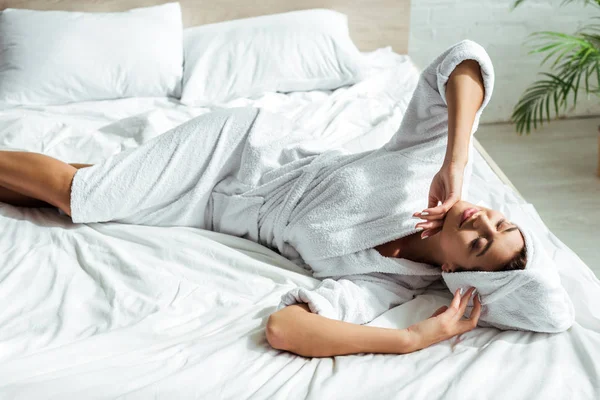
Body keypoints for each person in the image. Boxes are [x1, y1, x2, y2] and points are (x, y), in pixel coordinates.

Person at [0, 40, 526, 357]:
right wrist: (455, 158)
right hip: (237, 152)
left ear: (458, 272)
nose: (482, 221)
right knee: (82, 195)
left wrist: (412, 338)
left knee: (71, 196)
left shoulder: (388, 283)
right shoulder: (428, 166)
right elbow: (465, 61)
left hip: (215, 213)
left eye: (480, 244)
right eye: (499, 223)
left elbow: (285, 328)